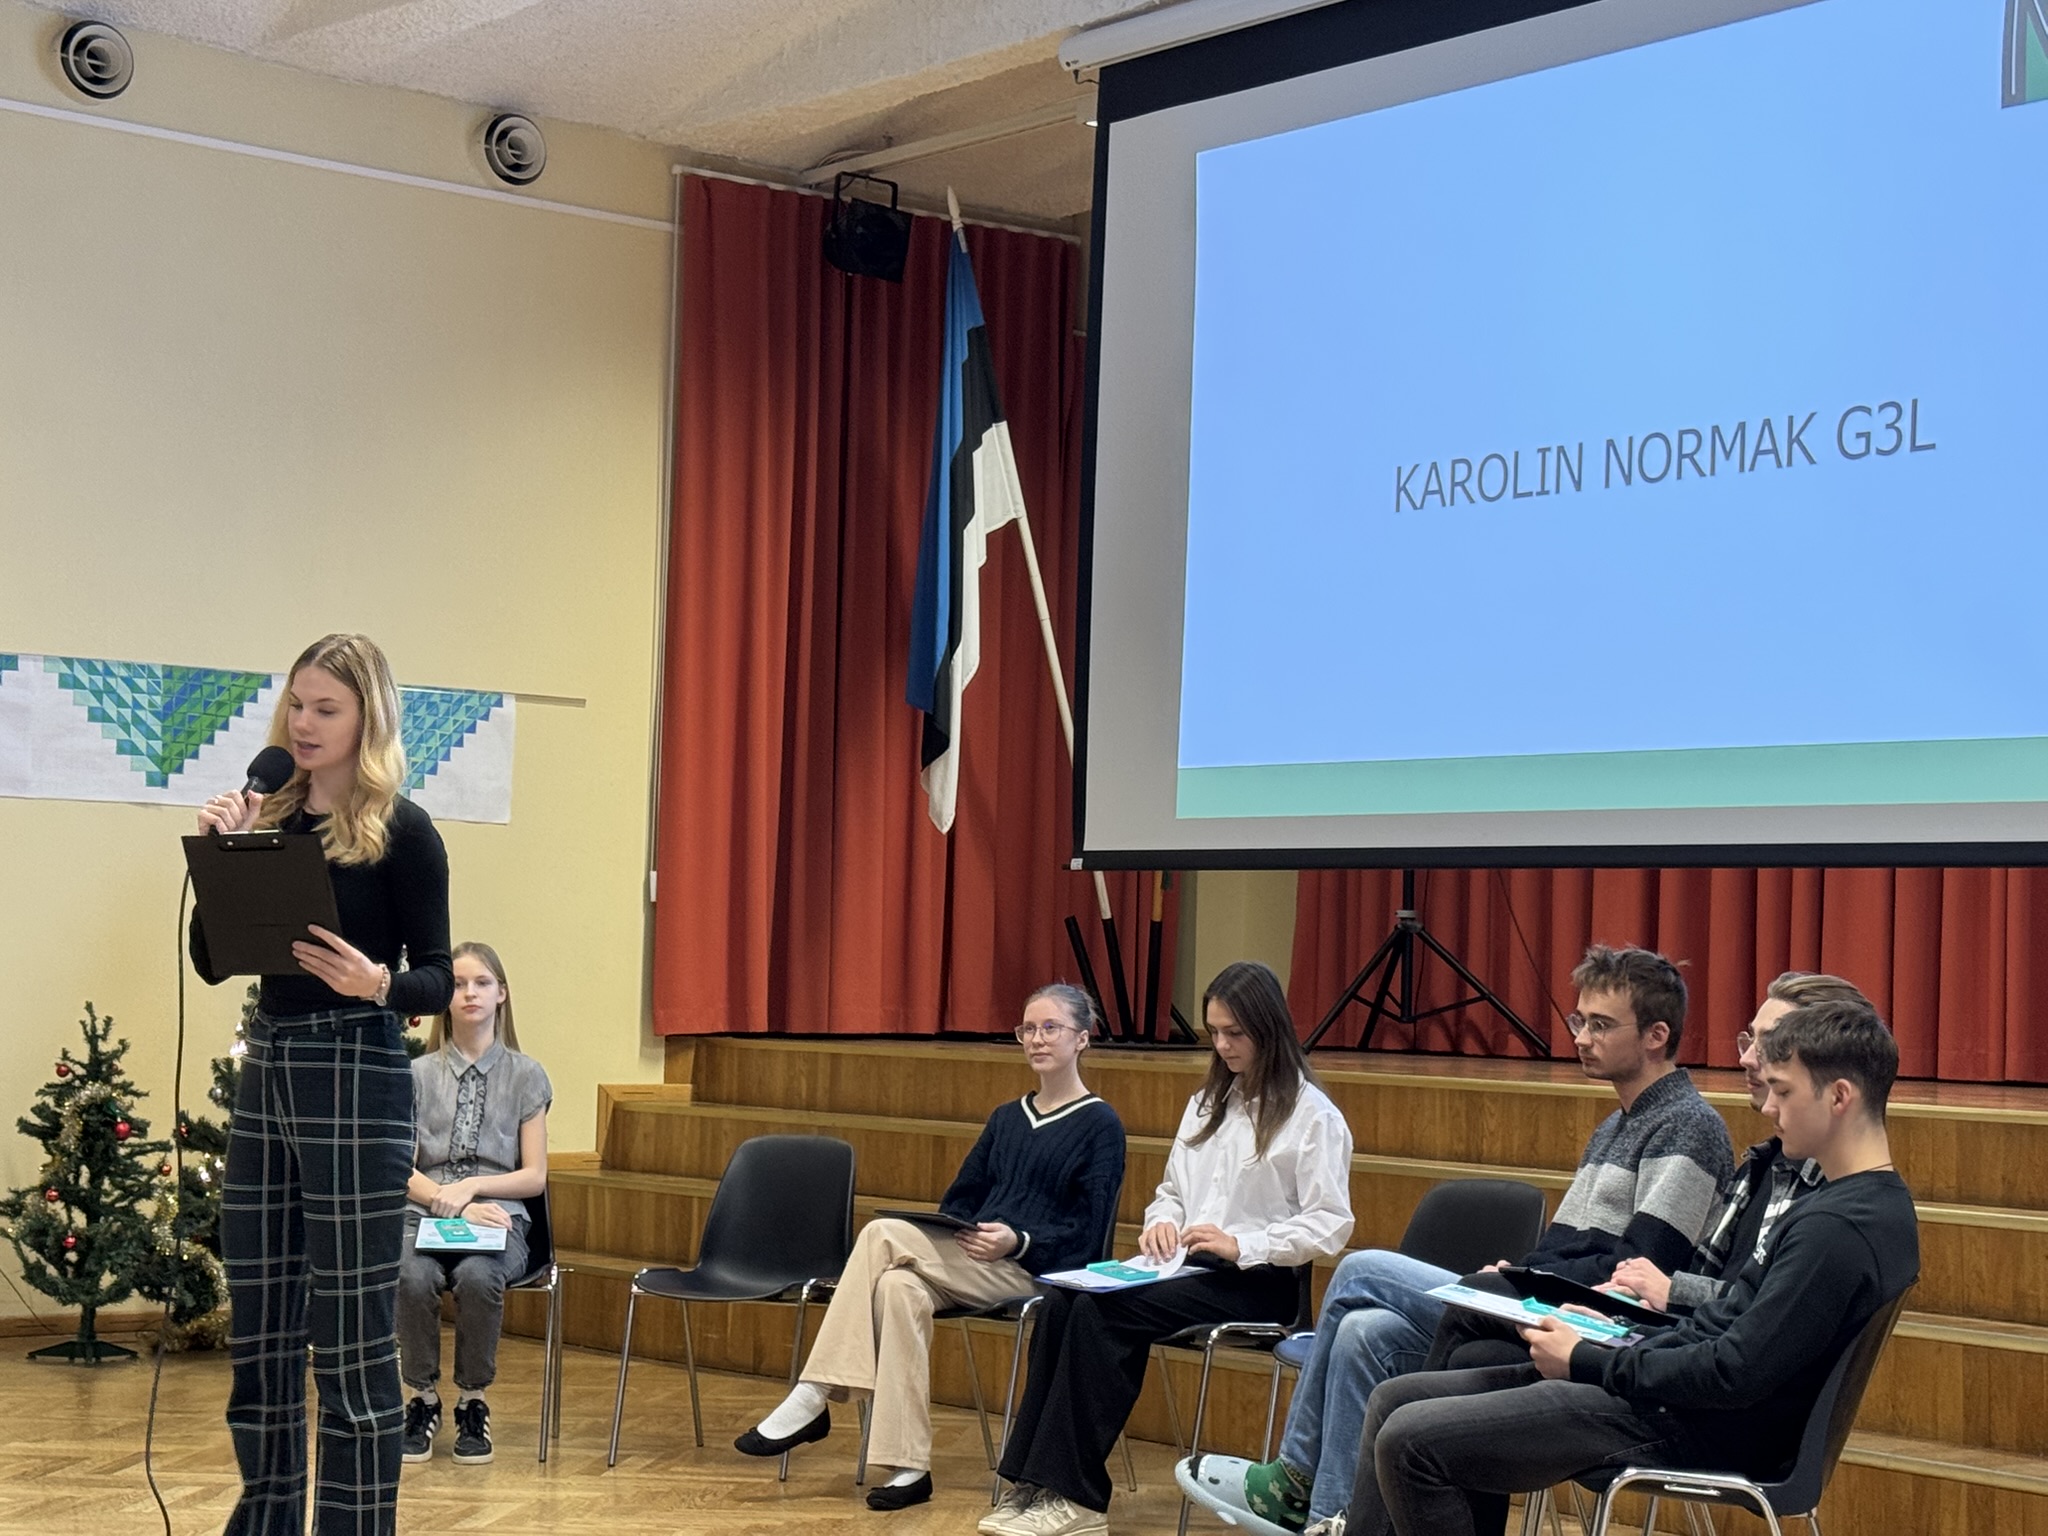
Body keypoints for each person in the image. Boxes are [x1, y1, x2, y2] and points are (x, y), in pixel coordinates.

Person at [1187, 945, 1730, 1532]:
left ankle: (1296, 1475)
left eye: (1600, 1025)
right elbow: (1564, 1245)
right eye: (1579, 1021)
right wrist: (1521, 1270)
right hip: (1548, 1301)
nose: (1581, 1037)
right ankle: (1329, 1514)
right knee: (1366, 1330)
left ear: (1655, 1036)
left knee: (1360, 1271)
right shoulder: (1614, 1126)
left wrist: (1520, 1280)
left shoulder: (1689, 1126)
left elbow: (1637, 1270)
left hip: (1596, 1325)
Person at [1342, 996, 1919, 1536]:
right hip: (1678, 1399)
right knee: (1397, 1399)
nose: (1769, 1107)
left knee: (1411, 1440)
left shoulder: (1838, 1227)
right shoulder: (1843, 1206)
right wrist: (1618, 1337)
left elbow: (1733, 1372)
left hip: (1700, 1425)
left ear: (1839, 1097)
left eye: (1784, 1092)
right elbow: (1723, 1326)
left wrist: (1588, 1360)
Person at [190, 633, 453, 1536]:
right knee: (261, 1328)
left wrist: (377, 982)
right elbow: (213, 961)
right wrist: (223, 852)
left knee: (349, 1338)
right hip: (269, 1066)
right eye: (296, 704)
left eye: (325, 709)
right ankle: (263, 1521)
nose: (303, 723)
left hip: (358, 1073)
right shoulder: (272, 819)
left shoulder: (405, 833)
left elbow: (438, 978)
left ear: (366, 718)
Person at [984, 961, 1356, 1536]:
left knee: (1102, 1314)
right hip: (1182, 1268)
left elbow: (1330, 1224)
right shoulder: (1207, 1102)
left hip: (1256, 1282)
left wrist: (1242, 1243)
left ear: (1268, 1028)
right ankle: (1031, 1481)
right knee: (1062, 1301)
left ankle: (1078, 1499)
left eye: (1235, 1033)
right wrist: (1161, 1222)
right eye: (1215, 1032)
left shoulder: (1312, 1115)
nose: (1223, 1045)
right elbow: (1172, 1194)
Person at [735, 983, 1125, 1511]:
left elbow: (1092, 1233)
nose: (1036, 1039)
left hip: (1034, 1270)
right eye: (1027, 1029)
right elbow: (960, 1198)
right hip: (971, 1258)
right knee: (897, 1288)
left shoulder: (1101, 1125)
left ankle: (816, 1393)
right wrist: (966, 1228)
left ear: (1082, 1038)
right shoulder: (1007, 1117)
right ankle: (909, 1467)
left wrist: (1019, 1239)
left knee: (879, 1234)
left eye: (1050, 1028)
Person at [1602, 971, 1868, 1317]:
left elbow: (1766, 1313)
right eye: (1750, 1039)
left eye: (1770, 1044)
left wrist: (1671, 1293)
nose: (1746, 1058)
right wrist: (1624, 1317)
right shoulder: (1761, 1165)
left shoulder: (1833, 1196)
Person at [398, 941, 552, 1466]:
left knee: (479, 1276)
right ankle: (422, 1397)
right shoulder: (416, 1075)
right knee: (412, 1275)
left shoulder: (527, 1075)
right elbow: (400, 1169)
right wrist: (454, 1201)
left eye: (482, 983)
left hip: (499, 1216)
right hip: (424, 1212)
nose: (470, 993)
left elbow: (534, 1177)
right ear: (444, 996)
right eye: (459, 983)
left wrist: (475, 1189)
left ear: (501, 994)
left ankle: (472, 1400)